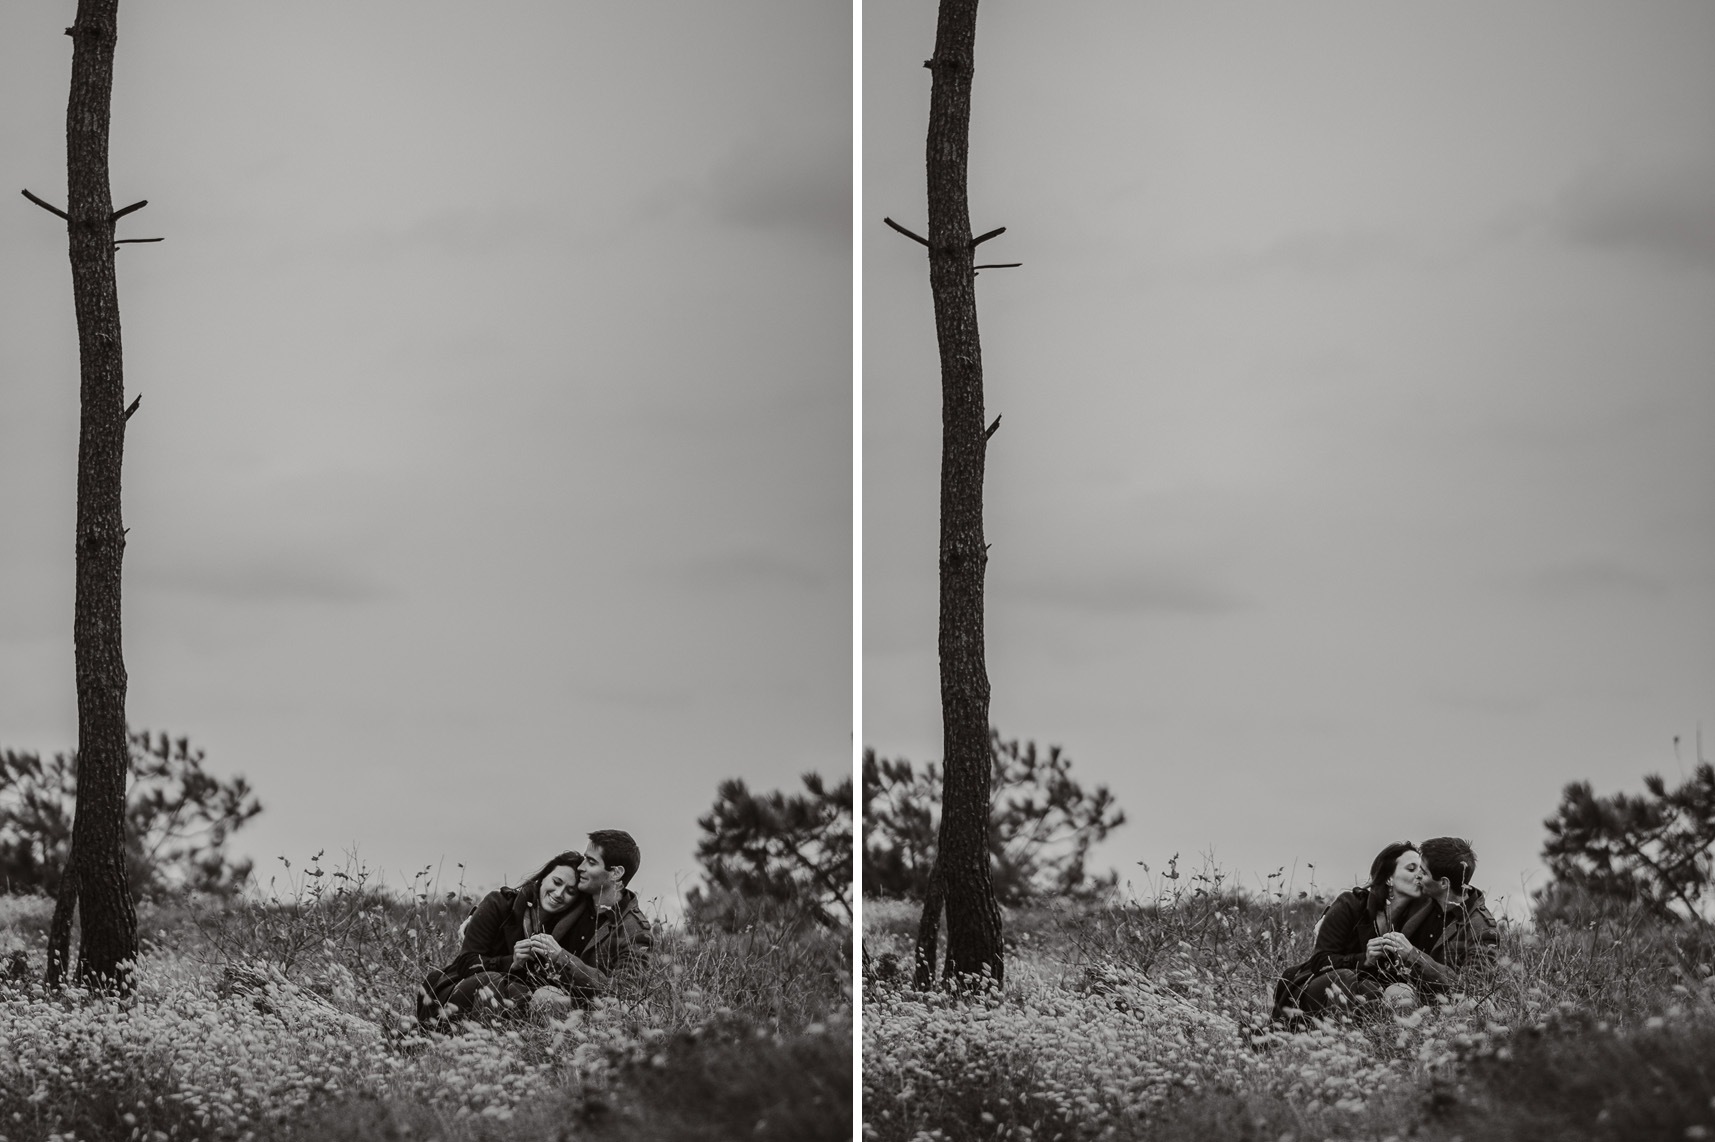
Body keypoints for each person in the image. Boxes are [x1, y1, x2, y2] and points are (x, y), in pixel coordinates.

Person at [1271, 841, 1440, 1025]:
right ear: (1389, 878)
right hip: (1323, 987)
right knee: (1347, 979)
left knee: (1395, 991)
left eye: (1421, 870)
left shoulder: (1422, 918)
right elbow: (1320, 961)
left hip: (1370, 994)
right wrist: (1364, 960)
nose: (1419, 876)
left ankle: (1386, 1043)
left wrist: (1409, 957)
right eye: (1411, 868)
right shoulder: (1351, 904)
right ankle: (1340, 1039)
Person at [416, 848, 591, 1024]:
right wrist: (511, 962)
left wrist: (557, 959)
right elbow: (466, 963)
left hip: (517, 1004)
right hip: (462, 992)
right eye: (557, 882)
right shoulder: (498, 903)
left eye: (570, 891)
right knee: (493, 982)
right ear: (543, 878)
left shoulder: (575, 929)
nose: (559, 893)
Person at [1413, 835, 1499, 989]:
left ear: (1444, 883)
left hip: (1443, 1008)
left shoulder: (1482, 928)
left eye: (1424, 872)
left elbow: (1474, 987)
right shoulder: (1422, 900)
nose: (1417, 875)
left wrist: (1415, 956)